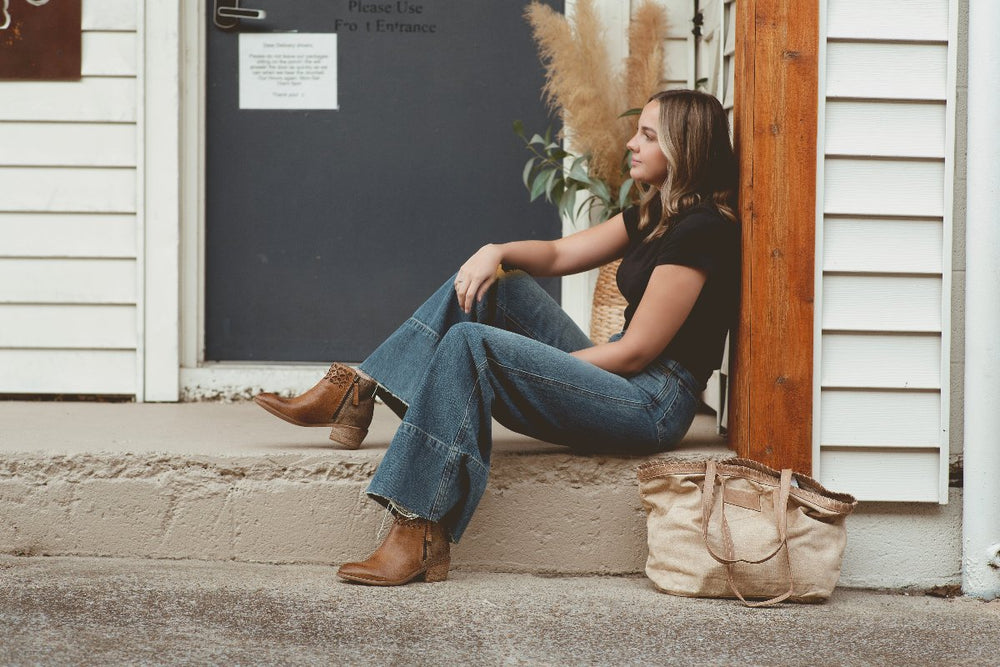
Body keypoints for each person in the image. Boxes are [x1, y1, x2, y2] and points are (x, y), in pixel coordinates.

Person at [253, 89, 740, 587]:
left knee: (472, 343)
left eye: (648, 136)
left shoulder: (702, 231)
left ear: (685, 150)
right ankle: (358, 390)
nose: (631, 143)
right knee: (492, 285)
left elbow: (639, 350)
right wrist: (494, 250)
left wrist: (545, 367)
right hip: (627, 374)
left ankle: (418, 528)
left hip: (652, 400)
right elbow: (556, 255)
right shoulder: (659, 212)